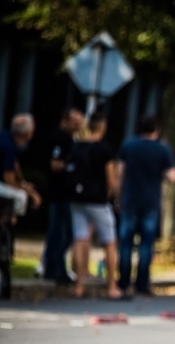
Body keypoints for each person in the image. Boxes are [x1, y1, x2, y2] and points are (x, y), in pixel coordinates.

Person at [116, 115, 175, 296]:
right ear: (156, 130)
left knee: (126, 242)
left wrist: (118, 196)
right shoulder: (162, 149)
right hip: (151, 201)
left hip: (130, 199)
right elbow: (173, 176)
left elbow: (120, 172)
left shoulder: (129, 145)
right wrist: (161, 173)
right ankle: (142, 284)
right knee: (146, 244)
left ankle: (123, 281)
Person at [66, 112, 122, 300]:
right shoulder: (105, 150)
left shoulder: (76, 146)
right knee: (109, 241)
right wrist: (114, 196)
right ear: (102, 127)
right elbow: (111, 181)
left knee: (80, 239)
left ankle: (79, 286)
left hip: (76, 199)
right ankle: (112, 286)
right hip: (97, 200)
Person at [42, 107, 84, 284]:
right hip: (60, 193)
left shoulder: (70, 138)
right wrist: (71, 165)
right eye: (75, 123)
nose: (78, 127)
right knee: (60, 233)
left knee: (62, 232)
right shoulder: (59, 138)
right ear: (64, 121)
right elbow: (55, 165)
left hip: (66, 193)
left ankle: (54, 267)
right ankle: (55, 268)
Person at [0, 113, 41, 217]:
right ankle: (10, 222)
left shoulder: (4, 136)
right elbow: (9, 180)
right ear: (27, 134)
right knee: (21, 196)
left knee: (18, 192)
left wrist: (23, 183)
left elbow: (15, 164)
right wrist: (30, 193)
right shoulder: (9, 148)